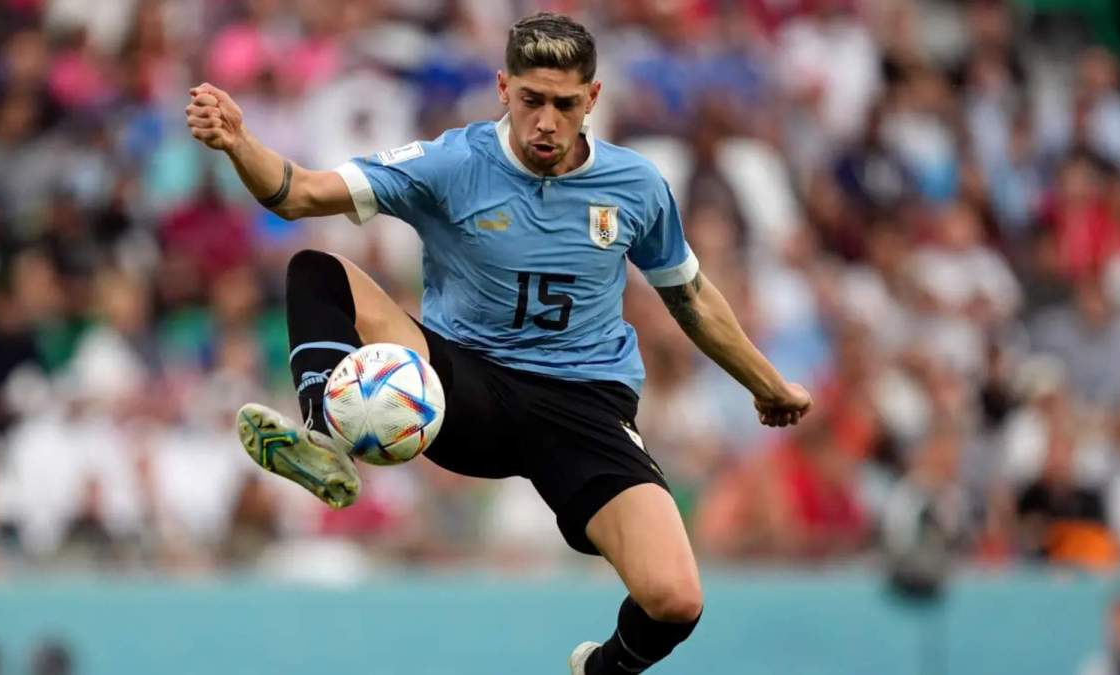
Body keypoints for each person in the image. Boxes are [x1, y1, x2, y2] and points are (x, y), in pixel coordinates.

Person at [185, 12, 812, 674]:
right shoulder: (453, 163)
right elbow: (299, 193)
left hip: (584, 408)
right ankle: (323, 434)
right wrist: (239, 143)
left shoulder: (635, 185)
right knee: (316, 271)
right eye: (531, 100)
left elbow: (691, 297)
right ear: (503, 88)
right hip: (465, 387)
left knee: (676, 600)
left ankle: (599, 671)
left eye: (565, 104)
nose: (546, 121)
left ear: (593, 99)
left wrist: (767, 383)